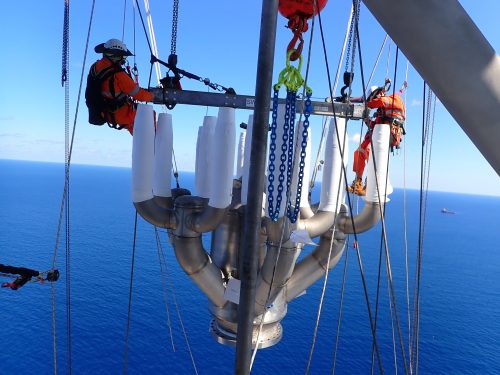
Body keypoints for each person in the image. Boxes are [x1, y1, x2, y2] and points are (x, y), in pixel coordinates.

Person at [86, 39, 154, 135]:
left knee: (134, 127)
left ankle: (143, 145)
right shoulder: (118, 75)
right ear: (116, 56)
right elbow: (139, 95)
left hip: (104, 113)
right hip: (119, 113)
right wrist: (152, 96)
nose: (123, 60)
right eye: (122, 56)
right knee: (150, 115)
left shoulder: (95, 67)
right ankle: (151, 145)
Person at [348, 84, 406, 196]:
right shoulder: (382, 111)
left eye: (374, 98)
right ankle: (358, 181)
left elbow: (382, 101)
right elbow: (375, 125)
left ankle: (370, 184)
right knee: (359, 152)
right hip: (380, 133)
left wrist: (366, 105)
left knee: (370, 151)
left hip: (390, 133)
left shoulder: (394, 99)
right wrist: (367, 121)